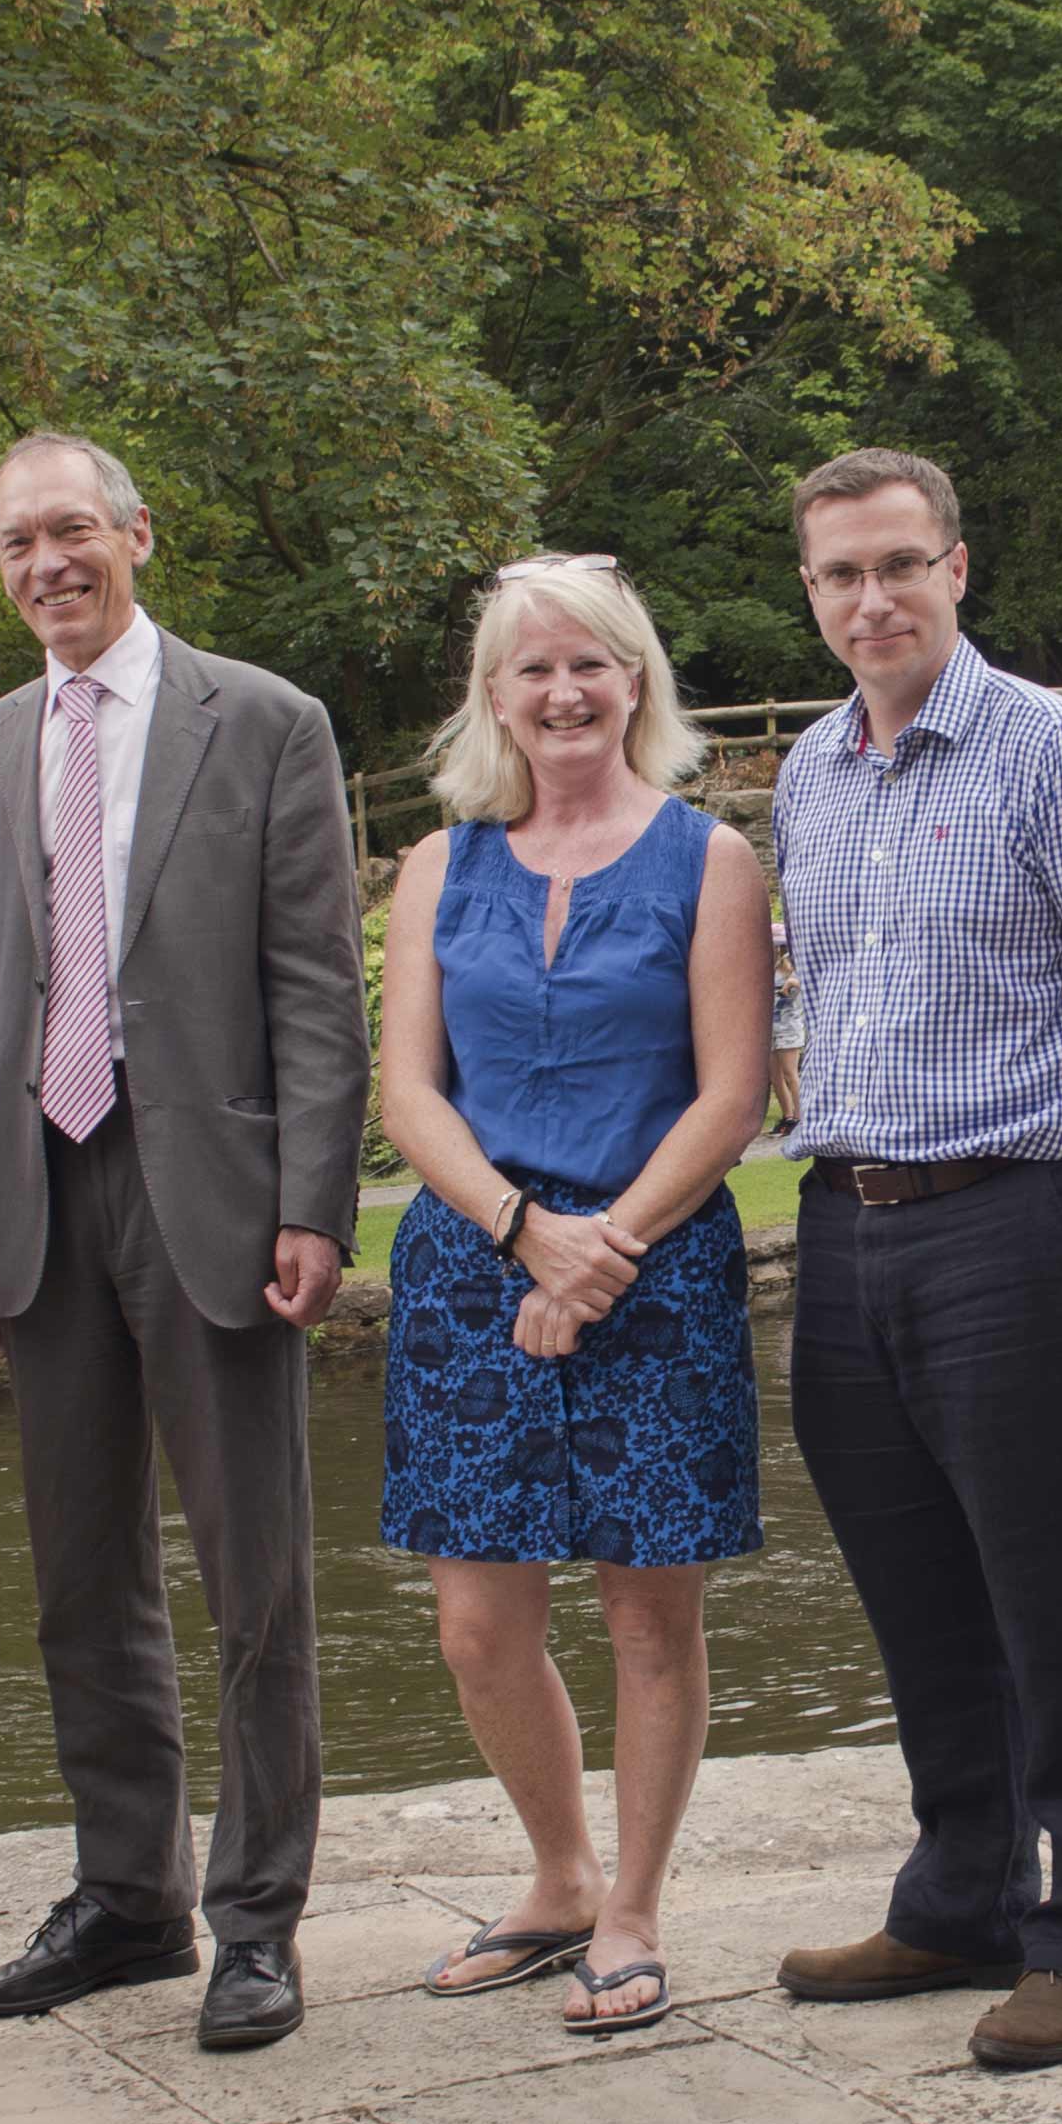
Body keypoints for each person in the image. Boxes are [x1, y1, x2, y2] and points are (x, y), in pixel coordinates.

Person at [764, 448, 1062, 2075]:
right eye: (836, 576)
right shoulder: (808, 773)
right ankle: (959, 1892)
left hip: (1021, 1206)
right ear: (809, 597)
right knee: (917, 1590)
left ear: (957, 567)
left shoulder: (1048, 756)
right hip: (848, 1223)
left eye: (896, 564)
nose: (868, 599)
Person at [0, 431, 369, 2054]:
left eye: (69, 531)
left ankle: (257, 1918)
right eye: (12, 544)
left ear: (135, 536)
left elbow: (318, 988)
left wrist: (314, 1202)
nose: (44, 562)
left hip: (214, 1200)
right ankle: (127, 1902)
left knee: (253, 1577)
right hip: (42, 1195)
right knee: (76, 1579)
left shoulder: (259, 724)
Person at [380, 556, 772, 2038]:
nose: (564, 692)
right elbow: (408, 1089)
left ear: (636, 683)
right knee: (478, 1623)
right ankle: (555, 1875)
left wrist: (602, 1245)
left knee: (648, 1615)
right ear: (494, 694)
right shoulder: (439, 866)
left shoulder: (708, 860)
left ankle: (636, 1906)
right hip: (474, 1270)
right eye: (534, 668)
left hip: (656, 1268)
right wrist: (522, 1231)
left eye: (592, 665)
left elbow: (731, 1093)